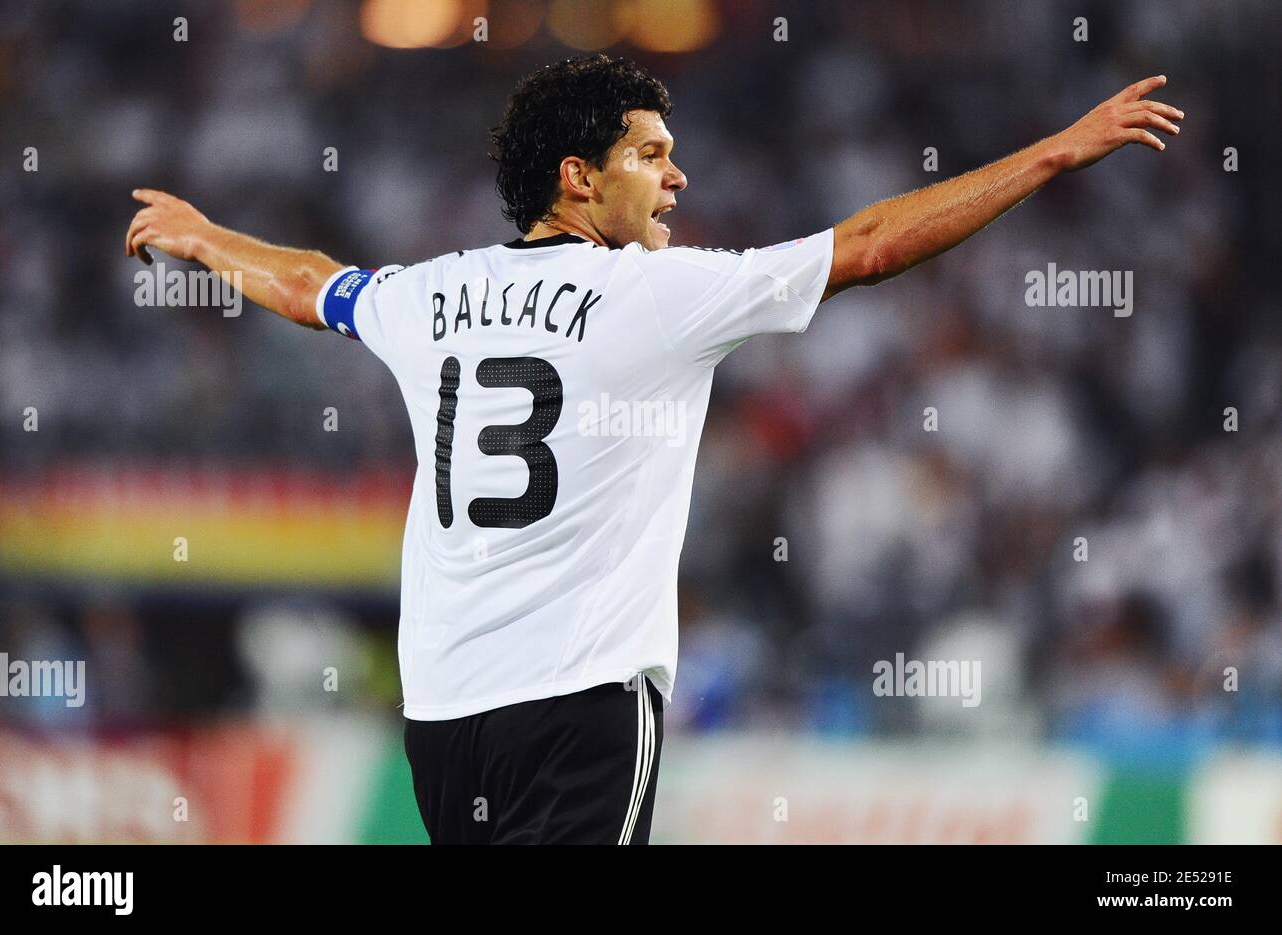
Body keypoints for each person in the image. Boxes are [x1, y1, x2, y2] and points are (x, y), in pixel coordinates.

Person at [123, 54, 1182, 844]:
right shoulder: (662, 294)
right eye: (652, 156)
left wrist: (202, 235)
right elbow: (869, 246)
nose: (675, 181)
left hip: (443, 718)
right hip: (580, 706)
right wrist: (1051, 152)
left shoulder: (425, 294)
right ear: (579, 178)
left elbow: (307, 283)